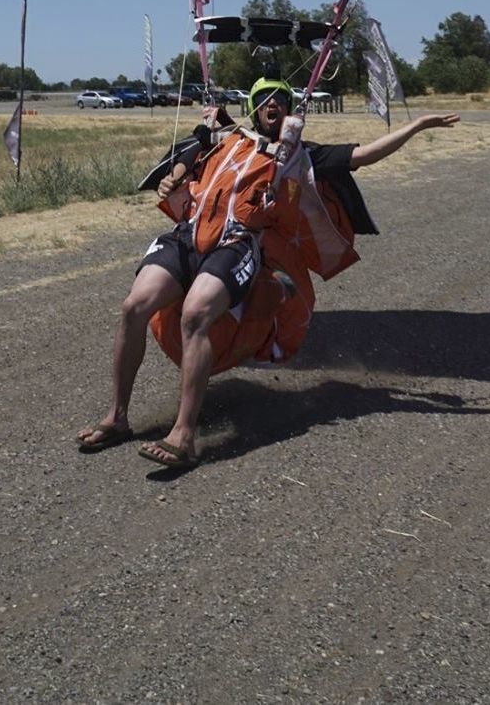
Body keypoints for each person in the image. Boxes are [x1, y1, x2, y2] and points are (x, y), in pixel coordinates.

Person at [76, 76, 459, 469]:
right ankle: (117, 417)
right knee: (133, 307)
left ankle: (184, 435)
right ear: (255, 107)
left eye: (281, 99)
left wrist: (417, 126)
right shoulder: (227, 137)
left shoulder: (300, 156)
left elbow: (364, 155)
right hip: (188, 237)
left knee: (196, 315)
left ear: (288, 110)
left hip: (237, 245)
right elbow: (189, 154)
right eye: (265, 99)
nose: (273, 104)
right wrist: (175, 173)